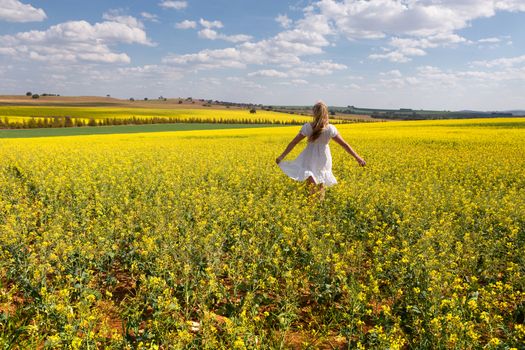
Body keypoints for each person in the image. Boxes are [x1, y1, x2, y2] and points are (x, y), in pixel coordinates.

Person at [275, 101, 366, 199]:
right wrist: (358, 158)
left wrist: (282, 156)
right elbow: (344, 145)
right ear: (326, 113)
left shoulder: (308, 127)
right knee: (321, 185)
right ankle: (319, 207)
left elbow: (293, 142)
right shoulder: (330, 129)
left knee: (311, 185)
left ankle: (311, 207)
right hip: (324, 158)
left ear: (314, 113)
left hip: (309, 157)